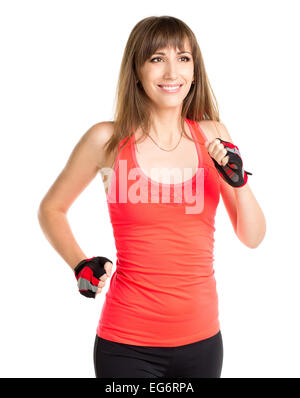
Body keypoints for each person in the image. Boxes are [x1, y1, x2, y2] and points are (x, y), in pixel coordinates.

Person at [38, 15, 266, 378]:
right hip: (126, 345)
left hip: (203, 343)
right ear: (138, 69)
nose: (172, 71)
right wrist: (80, 263)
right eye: (157, 58)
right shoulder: (107, 140)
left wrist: (239, 181)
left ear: (195, 70)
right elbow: (52, 208)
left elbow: (252, 237)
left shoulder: (212, 134)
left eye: (184, 58)